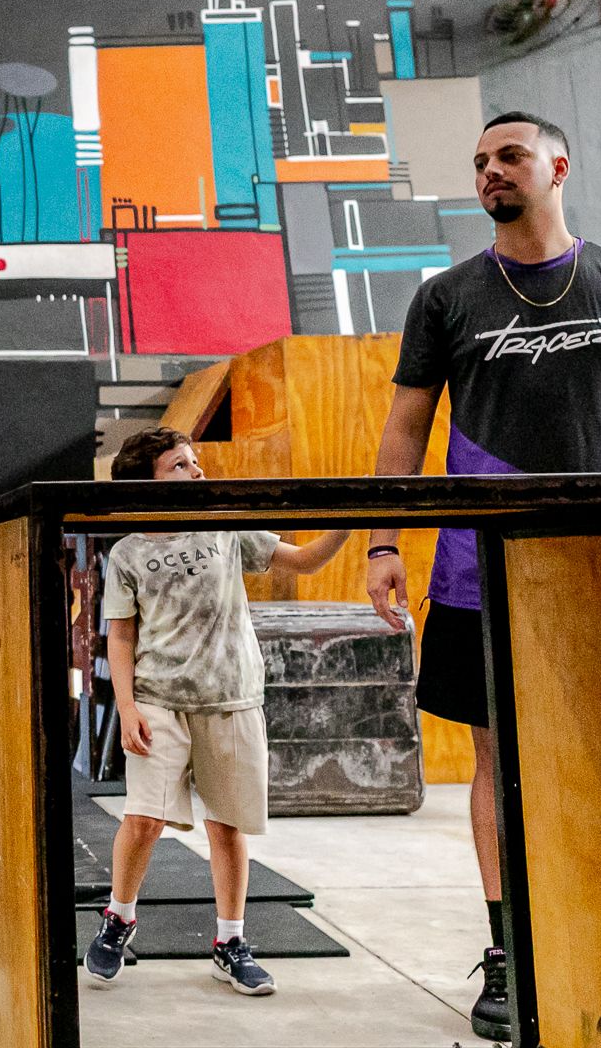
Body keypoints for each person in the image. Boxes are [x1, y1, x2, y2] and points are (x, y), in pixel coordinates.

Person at [364, 110, 601, 1042]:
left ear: (558, 166)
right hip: (481, 576)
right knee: (495, 760)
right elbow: (405, 432)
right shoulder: (445, 298)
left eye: (509, 156)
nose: (490, 172)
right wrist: (383, 543)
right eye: (480, 162)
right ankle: (507, 950)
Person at [85, 425, 350, 995]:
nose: (196, 470)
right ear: (150, 482)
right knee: (144, 818)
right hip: (159, 700)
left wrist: (350, 523)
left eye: (195, 460)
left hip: (230, 697)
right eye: (180, 464)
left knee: (227, 827)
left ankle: (230, 941)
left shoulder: (227, 525)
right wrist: (127, 705)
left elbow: (302, 561)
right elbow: (121, 637)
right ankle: (119, 917)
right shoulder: (129, 551)